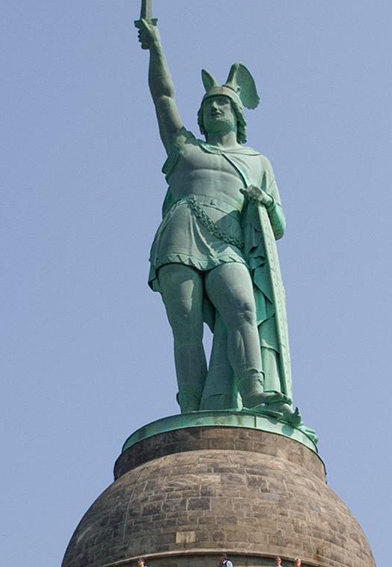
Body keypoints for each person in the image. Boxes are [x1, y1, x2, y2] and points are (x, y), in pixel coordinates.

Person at [135, 18, 299, 424]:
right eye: (207, 104)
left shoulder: (258, 162)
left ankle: (255, 389)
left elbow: (277, 223)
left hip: (228, 245)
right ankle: (191, 406)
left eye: (221, 103)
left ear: (237, 114)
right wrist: (156, 47)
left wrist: (263, 202)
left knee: (243, 307)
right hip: (181, 236)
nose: (213, 108)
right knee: (186, 327)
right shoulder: (184, 148)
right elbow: (163, 97)